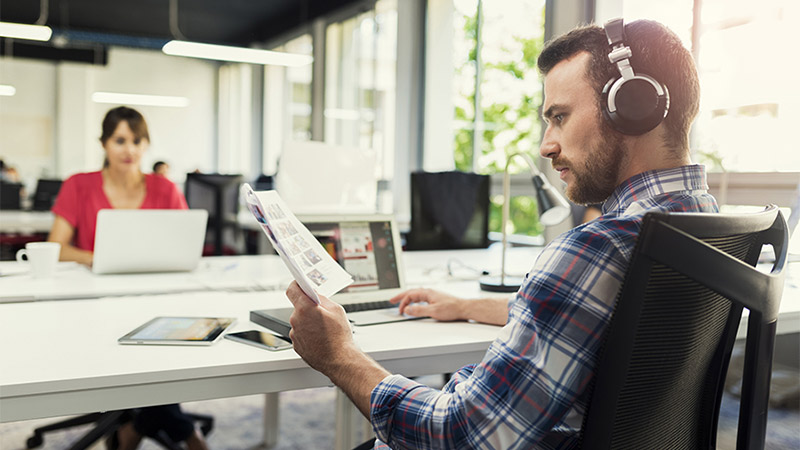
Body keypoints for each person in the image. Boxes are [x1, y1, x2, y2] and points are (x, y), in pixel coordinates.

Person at [285, 18, 719, 449]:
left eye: (560, 117)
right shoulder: (705, 220)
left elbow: (460, 436)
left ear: (632, 104)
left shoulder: (597, 247)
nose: (546, 145)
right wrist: (467, 305)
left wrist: (338, 355)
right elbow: (604, 313)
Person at [46, 106, 208, 450]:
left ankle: (133, 429)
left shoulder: (164, 189)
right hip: (91, 304)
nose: (129, 149)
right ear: (104, 143)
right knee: (156, 360)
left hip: (154, 300)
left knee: (162, 347)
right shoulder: (80, 185)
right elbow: (56, 247)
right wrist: (99, 258)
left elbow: (184, 244)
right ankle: (185, 433)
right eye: (119, 140)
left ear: (146, 144)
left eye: (137, 140)